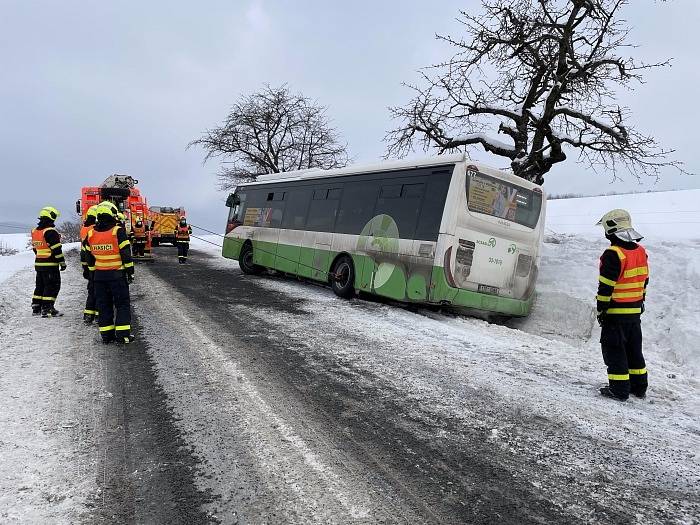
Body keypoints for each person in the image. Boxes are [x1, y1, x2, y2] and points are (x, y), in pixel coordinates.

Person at [595, 209, 649, 401]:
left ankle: (619, 390)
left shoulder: (613, 254)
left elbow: (606, 287)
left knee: (615, 350)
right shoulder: (641, 252)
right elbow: (644, 281)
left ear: (611, 229)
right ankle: (639, 387)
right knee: (634, 350)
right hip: (634, 314)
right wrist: (640, 303)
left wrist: (601, 309)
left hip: (616, 314)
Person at [84, 203, 135, 344]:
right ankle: (123, 336)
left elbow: (88, 257)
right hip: (117, 276)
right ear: (112, 215)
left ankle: (107, 336)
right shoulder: (117, 231)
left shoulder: (91, 233)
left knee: (104, 305)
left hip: (99, 277)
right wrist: (130, 272)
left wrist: (92, 273)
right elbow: (126, 254)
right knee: (122, 305)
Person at [30, 206, 66, 317]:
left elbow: (35, 248)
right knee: (52, 286)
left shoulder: (35, 231)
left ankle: (36, 307)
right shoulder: (50, 232)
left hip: (39, 264)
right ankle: (47, 308)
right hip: (50, 265)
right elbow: (57, 249)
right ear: (51, 217)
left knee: (40, 285)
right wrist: (62, 262)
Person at [79, 205, 98, 323]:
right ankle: (98, 315)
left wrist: (85, 268)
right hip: (97, 263)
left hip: (86, 260)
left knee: (91, 289)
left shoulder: (84, 228)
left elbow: (84, 250)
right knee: (100, 291)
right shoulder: (94, 229)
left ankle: (88, 314)